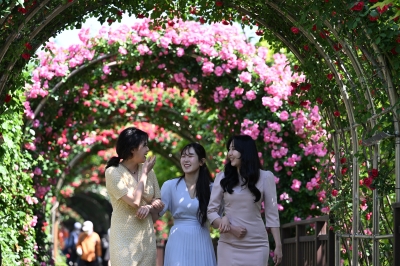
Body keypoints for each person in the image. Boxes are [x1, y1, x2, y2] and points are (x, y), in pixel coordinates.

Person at [207, 135, 283, 266]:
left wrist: (278, 245)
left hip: (257, 245)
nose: (229, 154)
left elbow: (272, 215)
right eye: (229, 149)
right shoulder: (222, 178)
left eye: (234, 149)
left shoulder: (266, 177)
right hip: (228, 245)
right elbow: (211, 212)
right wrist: (228, 225)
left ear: (246, 151)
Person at [105, 127, 164, 266]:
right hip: (123, 241)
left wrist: (151, 206)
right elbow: (135, 202)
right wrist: (143, 174)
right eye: (144, 145)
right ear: (132, 149)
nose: (148, 149)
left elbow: (158, 202)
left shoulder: (150, 172)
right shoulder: (113, 172)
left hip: (146, 239)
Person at [159, 143, 217, 266]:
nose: (185, 159)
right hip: (178, 241)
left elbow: (216, 219)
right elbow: (157, 212)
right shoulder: (170, 185)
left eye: (190, 156)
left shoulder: (212, 188)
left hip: (202, 240)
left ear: (201, 162)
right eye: (183, 156)